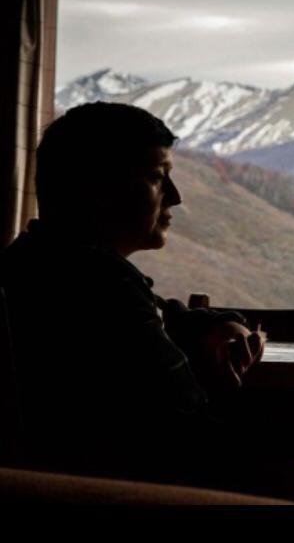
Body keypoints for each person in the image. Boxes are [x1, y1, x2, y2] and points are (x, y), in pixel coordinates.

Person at [0, 102, 266, 489]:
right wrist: (232, 391)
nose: (174, 196)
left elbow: (165, 315)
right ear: (99, 189)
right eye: (159, 177)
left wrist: (225, 323)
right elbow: (192, 431)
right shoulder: (105, 289)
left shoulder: (28, 261)